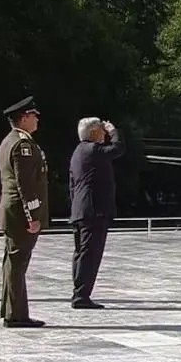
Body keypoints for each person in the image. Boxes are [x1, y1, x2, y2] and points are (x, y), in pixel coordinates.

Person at [0, 96, 49, 328]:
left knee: (12, 263)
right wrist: (33, 217)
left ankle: (12, 311)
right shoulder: (22, 145)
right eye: (34, 115)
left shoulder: (9, 141)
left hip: (13, 212)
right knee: (17, 264)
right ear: (25, 117)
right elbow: (25, 184)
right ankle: (16, 315)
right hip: (20, 213)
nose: (37, 119)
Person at [68, 117, 125, 309]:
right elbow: (118, 149)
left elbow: (72, 185)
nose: (104, 133)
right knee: (90, 254)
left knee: (81, 253)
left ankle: (79, 292)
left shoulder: (78, 152)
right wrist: (114, 131)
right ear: (93, 133)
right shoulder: (93, 150)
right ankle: (81, 296)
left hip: (81, 210)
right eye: (101, 130)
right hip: (93, 211)